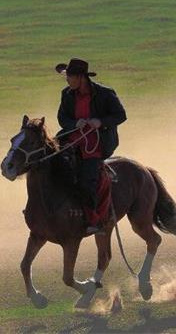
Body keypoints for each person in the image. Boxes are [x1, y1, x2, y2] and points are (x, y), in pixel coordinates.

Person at [55, 58, 127, 234]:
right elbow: (62, 118)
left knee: (88, 178)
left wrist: (100, 121)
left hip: (96, 143)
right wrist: (74, 124)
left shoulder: (105, 94)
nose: (67, 81)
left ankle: (93, 220)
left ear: (80, 77)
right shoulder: (67, 94)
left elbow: (120, 115)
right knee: (49, 165)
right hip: (72, 138)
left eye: (69, 77)